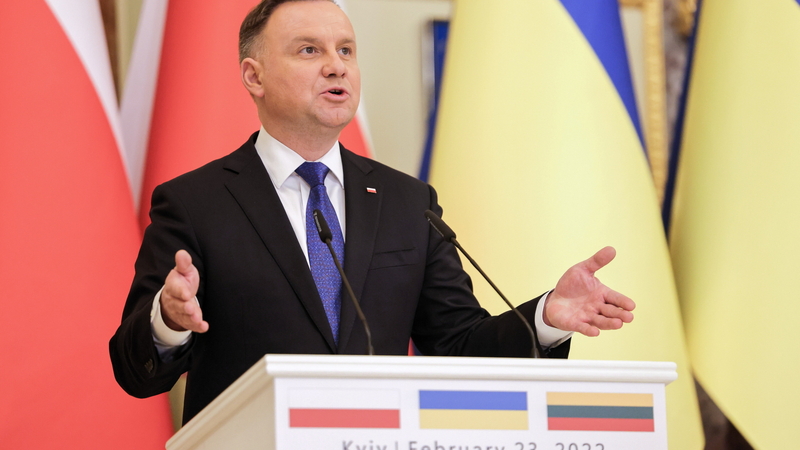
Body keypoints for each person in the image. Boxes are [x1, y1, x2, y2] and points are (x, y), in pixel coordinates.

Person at [110, 0, 635, 424]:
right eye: (309, 50)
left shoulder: (408, 203)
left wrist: (545, 317)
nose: (336, 65)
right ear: (254, 76)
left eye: (346, 50)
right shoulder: (194, 203)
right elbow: (134, 372)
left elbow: (458, 346)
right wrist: (167, 321)